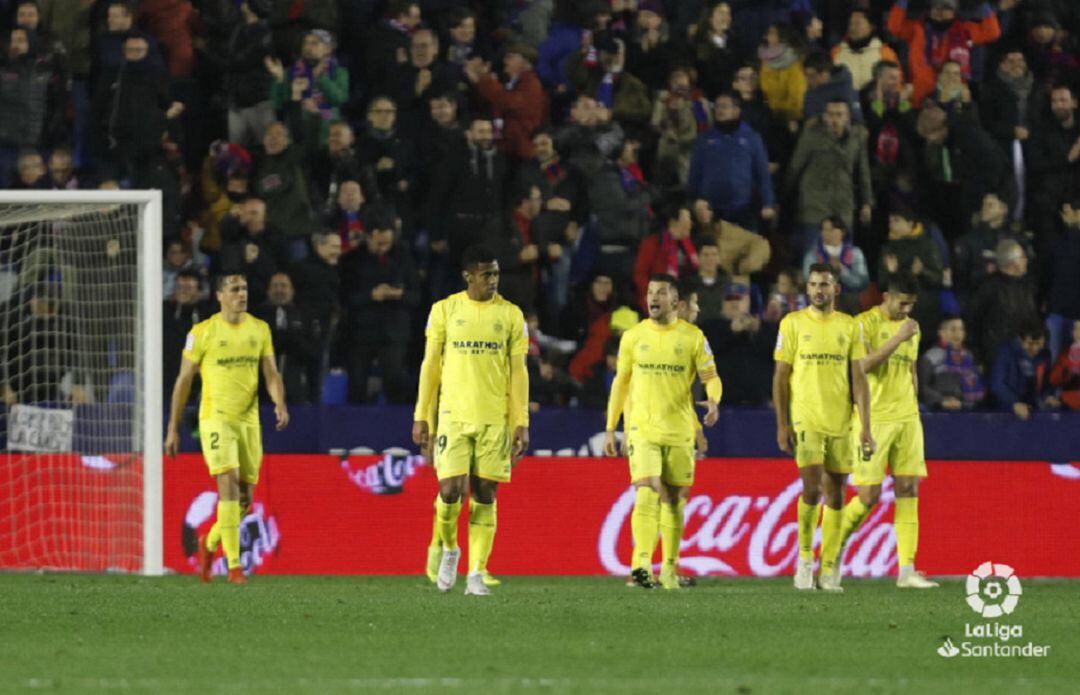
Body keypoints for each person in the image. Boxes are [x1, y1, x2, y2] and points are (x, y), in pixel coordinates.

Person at [413, 245, 530, 596]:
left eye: (496, 273)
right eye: (486, 274)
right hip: (452, 416)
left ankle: (477, 572)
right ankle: (450, 549)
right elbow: (430, 367)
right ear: (468, 276)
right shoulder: (444, 311)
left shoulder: (511, 315)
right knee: (450, 492)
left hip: (494, 417)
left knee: (485, 493)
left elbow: (518, 372)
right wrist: (422, 416)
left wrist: (520, 421)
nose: (493, 280)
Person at [164, 273, 289, 584]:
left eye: (244, 288)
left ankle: (209, 543)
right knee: (228, 482)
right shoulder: (202, 332)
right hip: (215, 418)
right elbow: (184, 381)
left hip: (248, 420)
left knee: (245, 500)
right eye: (234, 289)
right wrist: (172, 428)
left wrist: (279, 402)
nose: (241, 294)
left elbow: (271, 373)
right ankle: (235, 567)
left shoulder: (259, 329)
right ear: (220, 295)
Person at [819, 274, 938, 591]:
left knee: (909, 487)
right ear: (887, 296)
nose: (908, 309)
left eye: (912, 304)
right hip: (875, 418)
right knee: (868, 496)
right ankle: (829, 556)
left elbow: (910, 368)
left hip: (907, 417)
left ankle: (907, 570)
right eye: (903, 302)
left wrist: (914, 399)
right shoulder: (864, 324)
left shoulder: (912, 326)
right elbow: (864, 367)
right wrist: (898, 337)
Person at [603, 273, 722, 589]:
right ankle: (641, 567)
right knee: (646, 492)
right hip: (643, 428)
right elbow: (620, 384)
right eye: (650, 292)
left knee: (674, 500)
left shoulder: (693, 337)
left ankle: (669, 569)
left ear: (675, 301)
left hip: (679, 428)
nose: (654, 297)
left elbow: (711, 376)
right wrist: (611, 426)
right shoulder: (633, 337)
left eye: (662, 292)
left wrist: (713, 400)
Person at [772, 263, 873, 591]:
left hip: (841, 421)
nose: (818, 290)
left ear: (836, 289)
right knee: (812, 489)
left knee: (838, 495)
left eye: (824, 285)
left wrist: (866, 427)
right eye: (813, 284)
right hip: (806, 418)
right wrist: (782, 423)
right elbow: (780, 376)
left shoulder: (850, 327)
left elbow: (858, 379)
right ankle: (804, 559)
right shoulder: (793, 323)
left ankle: (829, 568)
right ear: (807, 289)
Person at [340, 210, 420, 404]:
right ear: (368, 237)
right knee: (357, 384)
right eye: (379, 243)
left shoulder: (404, 257)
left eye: (387, 242)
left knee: (395, 383)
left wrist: (398, 294)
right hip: (361, 333)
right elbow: (345, 297)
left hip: (393, 333)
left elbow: (416, 297)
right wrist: (370, 296)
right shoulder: (352, 260)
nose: (384, 247)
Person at [785, 98, 873, 250]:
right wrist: (785, 197)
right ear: (825, 116)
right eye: (831, 114)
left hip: (843, 207)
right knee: (813, 257)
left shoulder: (857, 138)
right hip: (814, 208)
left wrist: (867, 203)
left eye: (839, 114)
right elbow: (795, 166)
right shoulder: (812, 135)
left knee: (844, 261)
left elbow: (863, 171)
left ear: (847, 117)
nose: (835, 119)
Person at [686, 92, 775, 231]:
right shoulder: (704, 140)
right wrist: (692, 200)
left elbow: (762, 173)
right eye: (717, 106)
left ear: (736, 110)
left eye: (724, 106)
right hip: (711, 210)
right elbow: (695, 172)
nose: (720, 110)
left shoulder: (752, 138)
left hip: (744, 209)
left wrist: (768, 203)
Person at [886, 0, 1000, 106]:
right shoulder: (917, 28)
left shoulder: (965, 30)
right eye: (935, 7)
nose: (939, 11)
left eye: (946, 8)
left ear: (954, 12)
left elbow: (992, 32)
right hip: (921, 96)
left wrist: (982, 3)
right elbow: (894, 26)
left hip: (954, 94)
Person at [991, 323, 1058, 420]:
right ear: (1022, 340)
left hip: (1035, 411)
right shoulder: (1006, 352)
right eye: (1031, 343)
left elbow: (1047, 383)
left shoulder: (1044, 355)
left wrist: (1047, 397)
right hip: (1007, 412)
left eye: (1040, 344)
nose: (1035, 348)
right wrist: (1014, 403)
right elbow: (997, 384)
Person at [918, 317, 986, 411]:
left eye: (961, 329)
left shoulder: (968, 356)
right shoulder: (931, 356)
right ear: (941, 333)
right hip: (936, 409)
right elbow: (921, 386)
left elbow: (976, 382)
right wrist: (941, 400)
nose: (958, 334)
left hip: (966, 408)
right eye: (953, 329)